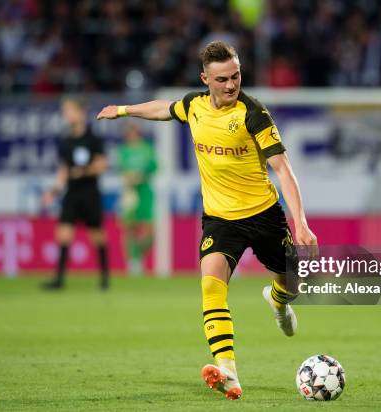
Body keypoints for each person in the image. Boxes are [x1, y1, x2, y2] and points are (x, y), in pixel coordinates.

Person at [97, 41, 317, 400]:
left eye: (236, 76)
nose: (231, 85)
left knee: (292, 283)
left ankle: (279, 301)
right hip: (219, 219)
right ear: (205, 78)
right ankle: (227, 369)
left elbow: (283, 170)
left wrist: (301, 223)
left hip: (264, 215)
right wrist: (123, 110)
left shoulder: (253, 114)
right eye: (222, 79)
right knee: (211, 286)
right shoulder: (194, 106)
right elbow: (162, 110)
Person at [41, 96, 110, 290]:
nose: (66, 115)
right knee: (63, 234)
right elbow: (64, 171)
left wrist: (84, 171)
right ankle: (59, 280)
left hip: (90, 193)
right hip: (71, 193)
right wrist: (53, 191)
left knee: (97, 236)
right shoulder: (65, 141)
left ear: (81, 112)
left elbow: (102, 164)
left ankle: (104, 279)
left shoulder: (93, 139)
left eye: (69, 111)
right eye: (65, 112)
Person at [117, 123, 157, 275]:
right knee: (130, 228)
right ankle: (133, 262)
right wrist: (130, 178)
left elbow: (154, 167)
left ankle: (138, 254)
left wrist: (140, 176)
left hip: (145, 192)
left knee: (150, 231)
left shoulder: (147, 150)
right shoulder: (123, 152)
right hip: (130, 193)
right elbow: (122, 170)